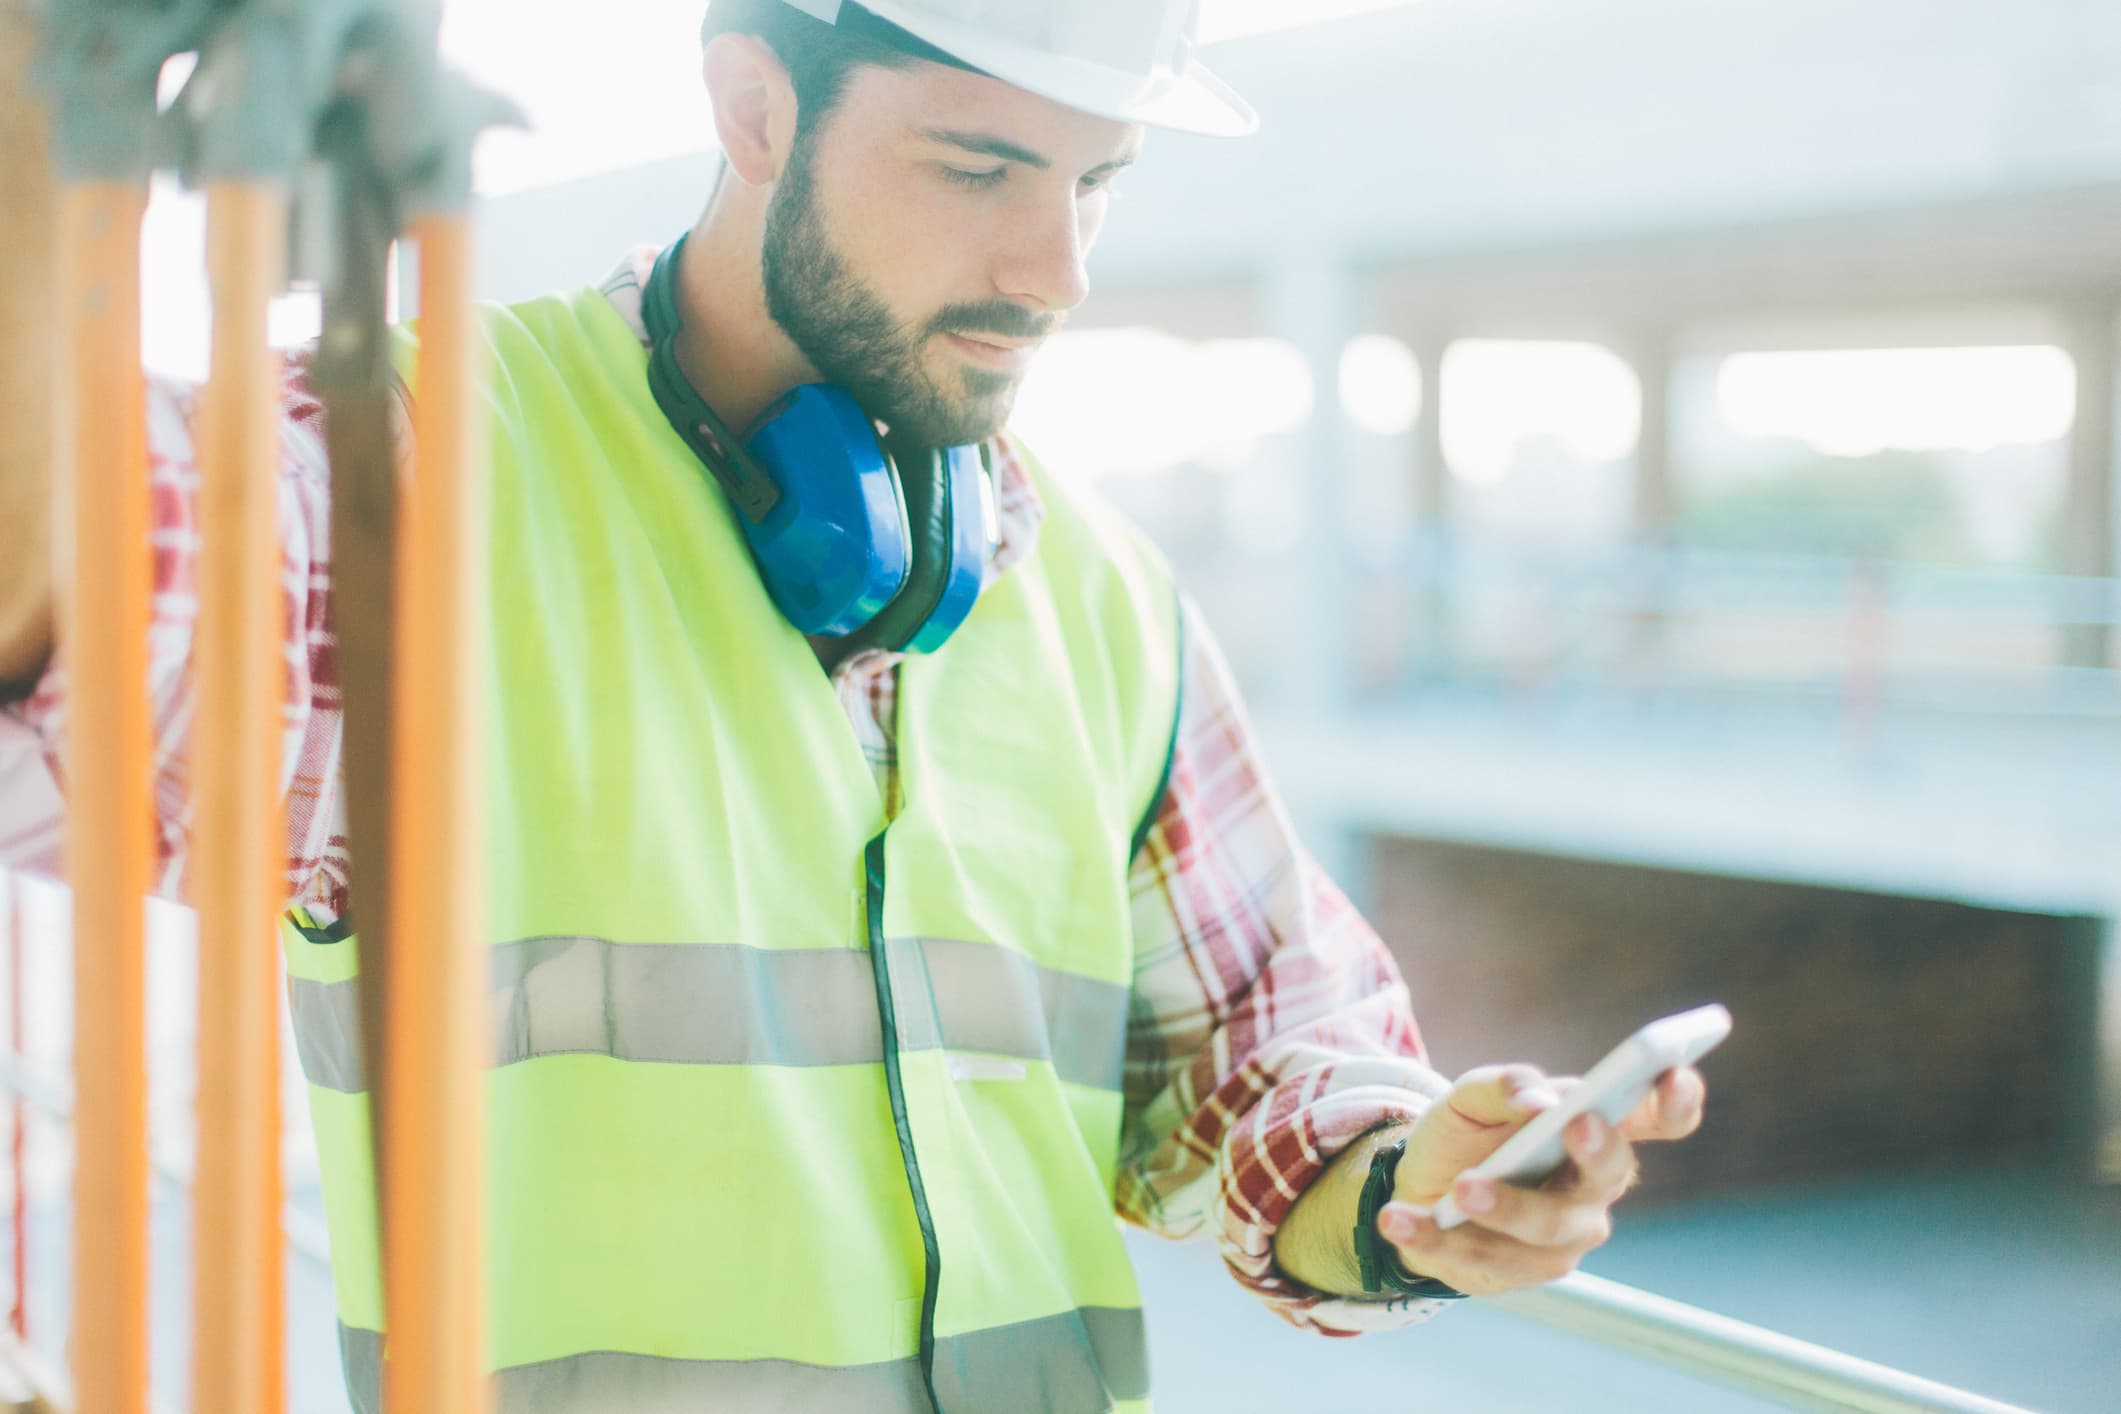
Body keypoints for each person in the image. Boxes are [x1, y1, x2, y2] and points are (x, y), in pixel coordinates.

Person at [0, 1, 1707, 1409]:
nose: (1056, 269)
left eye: (1095, 184)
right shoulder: (414, 480)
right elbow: (52, 602)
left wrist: (1424, 1191)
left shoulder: (1098, 592)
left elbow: (1262, 1074)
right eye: (980, 166)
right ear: (752, 104)